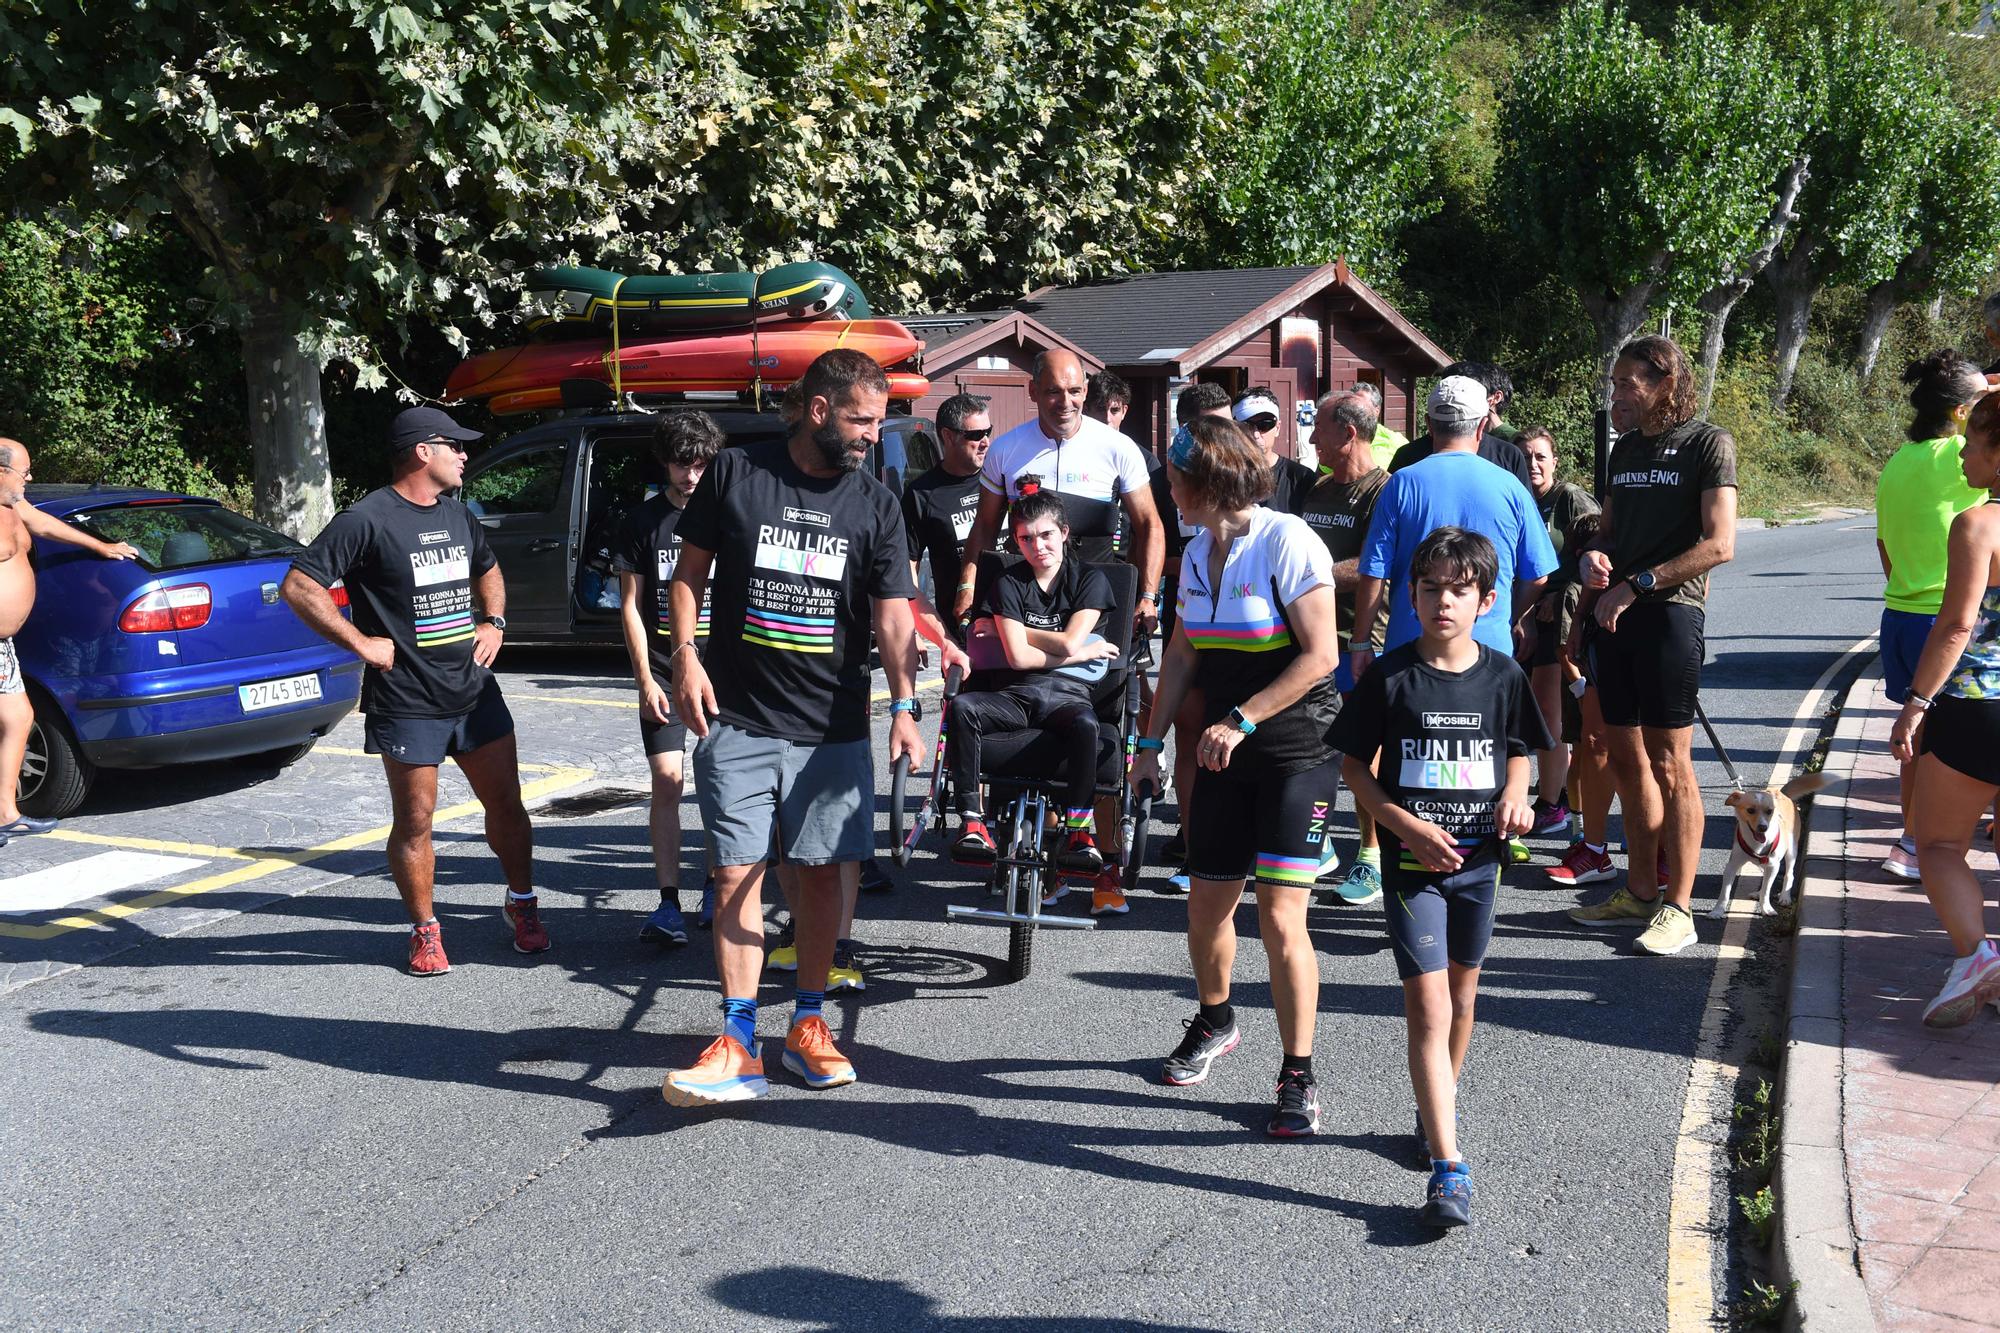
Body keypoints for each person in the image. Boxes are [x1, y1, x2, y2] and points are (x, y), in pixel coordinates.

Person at [661, 348, 922, 1105]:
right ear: (818, 410)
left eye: (878, 421)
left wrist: (905, 707)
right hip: (737, 717)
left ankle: (808, 1027)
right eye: (861, 419)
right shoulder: (740, 475)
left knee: (815, 874)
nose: (873, 434)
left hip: (831, 726)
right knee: (736, 870)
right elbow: (688, 576)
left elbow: (894, 617)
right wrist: (686, 658)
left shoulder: (875, 504)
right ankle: (739, 1039)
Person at [1332, 526, 1549, 1229]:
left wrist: (1518, 794)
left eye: (1459, 590)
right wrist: (1406, 826)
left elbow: (1521, 751)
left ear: (1486, 600)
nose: (1442, 601)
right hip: (1411, 867)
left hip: (1479, 865)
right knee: (1427, 1008)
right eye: (1430, 589)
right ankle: (1449, 1167)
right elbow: (1353, 769)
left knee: (1462, 1001)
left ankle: (1435, 1112)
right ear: (1412, 596)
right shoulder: (1391, 677)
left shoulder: (1503, 675)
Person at [1133, 416, 1341, 1138]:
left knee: (1280, 917)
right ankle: (1217, 1019)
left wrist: (1244, 717)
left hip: (1295, 749)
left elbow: (1321, 657)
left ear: (1210, 482)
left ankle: (1298, 1070)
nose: (1167, 490)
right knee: (1205, 906)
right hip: (1223, 751)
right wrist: (1147, 741)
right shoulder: (1195, 552)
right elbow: (1184, 655)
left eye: (1176, 480)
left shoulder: (1288, 541)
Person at [284, 407, 545, 974]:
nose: (464, 455)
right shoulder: (367, 519)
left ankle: (522, 903)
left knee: (506, 804)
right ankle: (425, 930)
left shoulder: (457, 515)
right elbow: (301, 585)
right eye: (455, 445)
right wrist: (360, 642)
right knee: (416, 821)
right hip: (406, 701)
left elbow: (489, 569)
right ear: (423, 451)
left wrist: (493, 622)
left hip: (473, 693)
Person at [956, 348, 1164, 915]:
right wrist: (967, 588)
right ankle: (1034, 856)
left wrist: (1145, 597)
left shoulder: (1115, 446)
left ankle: (1103, 868)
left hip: (1095, 588)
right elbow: (984, 528)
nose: (1066, 402)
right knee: (1009, 703)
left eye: (1075, 391)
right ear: (1034, 393)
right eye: (1054, 392)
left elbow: (1149, 525)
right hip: (1026, 584)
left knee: (1102, 732)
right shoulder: (1008, 448)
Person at [1565, 334, 1737, 957]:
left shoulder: (1707, 443)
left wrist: (1637, 586)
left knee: (1670, 762)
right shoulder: (1624, 450)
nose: (1615, 395)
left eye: (1625, 385)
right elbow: (1607, 532)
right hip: (1615, 617)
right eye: (1614, 385)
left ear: (1663, 381)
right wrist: (1592, 568)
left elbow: (1720, 544)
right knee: (1624, 754)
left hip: (1669, 615)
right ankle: (1639, 890)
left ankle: (1680, 907)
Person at [1888, 388, 2000, 1027]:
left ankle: (1976, 955)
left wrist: (1916, 704)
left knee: (1936, 843)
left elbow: (1957, 625)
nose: (1962, 457)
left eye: (1973, 444)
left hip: (1979, 705)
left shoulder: (1978, 523)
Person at [947, 491, 1120, 876]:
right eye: (1025, 538)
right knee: (962, 706)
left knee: (1087, 724)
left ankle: (1078, 831)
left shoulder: (1090, 580)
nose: (1036, 546)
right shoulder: (1008, 583)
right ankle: (973, 822)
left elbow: (1068, 641)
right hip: (1015, 694)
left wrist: (1010, 628)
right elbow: (1020, 660)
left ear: (1064, 532)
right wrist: (1085, 654)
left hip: (1067, 697)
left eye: (1045, 535)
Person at [1350, 376, 1556, 679]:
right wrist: (1501, 615)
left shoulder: (1401, 483)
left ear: (1429, 424)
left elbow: (1373, 572)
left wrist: (1360, 643)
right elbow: (1538, 575)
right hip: (1489, 653)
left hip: (1411, 653)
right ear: (1483, 426)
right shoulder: (1510, 487)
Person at [1874, 351, 1990, 880]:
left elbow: (1884, 546)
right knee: (1943, 747)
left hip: (1899, 614)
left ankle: (1910, 840)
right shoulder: (1959, 458)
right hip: (1942, 622)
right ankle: (1919, 845)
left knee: (1915, 743)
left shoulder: (1899, 460)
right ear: (1966, 415)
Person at [614, 409, 724, 947]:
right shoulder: (641, 521)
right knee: (668, 781)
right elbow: (631, 608)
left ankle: (713, 886)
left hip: (721, 668)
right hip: (661, 667)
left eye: (702, 464)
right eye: (683, 464)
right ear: (665, 464)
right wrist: (644, 680)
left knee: (718, 783)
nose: (692, 475)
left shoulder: (729, 515)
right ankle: (666, 902)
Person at [0, 437, 139, 845]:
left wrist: (101, 545)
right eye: (24, 471)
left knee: (19, 718)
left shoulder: (13, 506)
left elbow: (45, 524)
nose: (30, 477)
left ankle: (6, 814)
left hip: (3, 644)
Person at [1297, 391, 1391, 906]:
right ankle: (1319, 846)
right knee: (1309, 746)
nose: (1312, 440)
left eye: (1320, 430)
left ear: (1348, 435)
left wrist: (1309, 579)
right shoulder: (1317, 490)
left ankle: (1371, 857)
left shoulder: (1384, 492)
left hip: (1362, 642)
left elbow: (1377, 563)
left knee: (1362, 753)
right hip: (1310, 640)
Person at [1518, 426, 1599, 838]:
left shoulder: (1567, 497)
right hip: (1525, 614)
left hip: (1561, 614)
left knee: (1551, 709)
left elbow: (1597, 546)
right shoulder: (1518, 499)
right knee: (1534, 708)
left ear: (1555, 462)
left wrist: (1562, 593)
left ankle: (1554, 804)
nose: (1532, 464)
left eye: (1540, 456)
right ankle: (1555, 793)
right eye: (1526, 456)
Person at [902, 393, 993, 613]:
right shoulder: (921, 494)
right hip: (961, 626)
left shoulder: (1000, 478)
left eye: (988, 431)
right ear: (948, 436)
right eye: (976, 434)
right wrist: (916, 625)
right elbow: (907, 570)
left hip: (1016, 619)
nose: (986, 442)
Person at [1388, 361, 1532, 488]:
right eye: (1449, 392)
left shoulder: (1509, 455)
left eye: (1467, 394)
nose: (1457, 399)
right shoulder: (1407, 456)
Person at [1346, 380, 1405, 470]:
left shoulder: (1395, 441)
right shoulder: (1339, 437)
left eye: (1362, 406)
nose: (1356, 410)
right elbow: (1324, 475)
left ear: (1376, 411)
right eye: (1352, 405)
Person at [1085, 370, 1133, 435]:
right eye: (1101, 409)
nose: (1107, 418)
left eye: (1115, 410)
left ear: (1124, 412)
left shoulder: (1130, 445)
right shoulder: (1072, 444)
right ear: (1086, 410)